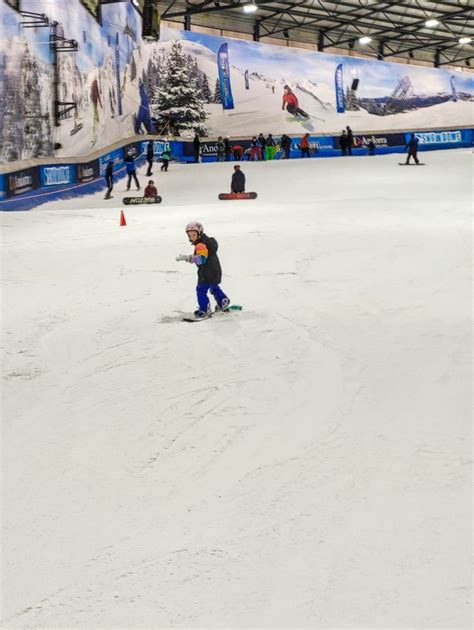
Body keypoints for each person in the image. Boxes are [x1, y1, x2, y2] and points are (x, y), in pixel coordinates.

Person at [176, 221, 230, 318]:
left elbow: (201, 259)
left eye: (193, 235)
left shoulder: (200, 245)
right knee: (214, 287)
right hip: (215, 271)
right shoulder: (208, 242)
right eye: (190, 235)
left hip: (207, 273)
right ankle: (223, 301)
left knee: (201, 290)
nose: (191, 237)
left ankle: (204, 309)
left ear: (199, 233)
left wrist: (187, 258)